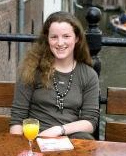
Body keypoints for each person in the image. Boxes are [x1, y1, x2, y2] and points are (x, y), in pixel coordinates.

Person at [10, 11, 99, 140]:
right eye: (54, 37)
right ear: (47, 39)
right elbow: (18, 118)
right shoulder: (32, 69)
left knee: (85, 139)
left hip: (69, 141)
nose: (60, 42)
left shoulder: (89, 75)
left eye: (66, 36)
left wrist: (59, 130)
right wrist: (17, 147)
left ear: (77, 38)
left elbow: (90, 122)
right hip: (36, 139)